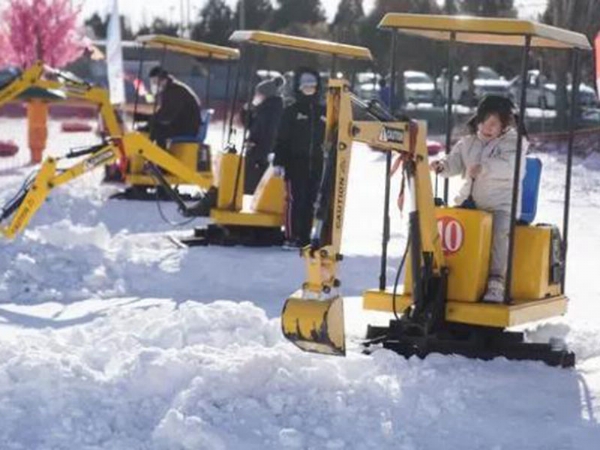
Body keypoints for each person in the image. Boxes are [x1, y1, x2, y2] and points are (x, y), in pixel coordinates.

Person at [430, 95, 527, 303]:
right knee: (450, 229)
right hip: (470, 201)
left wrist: (485, 168)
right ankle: (451, 277)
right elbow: (454, 162)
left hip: (501, 204)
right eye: (484, 121)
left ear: (503, 125)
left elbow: (511, 167)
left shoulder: (514, 143)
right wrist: (442, 166)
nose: (486, 127)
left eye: (493, 124)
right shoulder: (468, 142)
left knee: (500, 233)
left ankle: (496, 282)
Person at [273, 68, 326, 249]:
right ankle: (291, 236)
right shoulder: (292, 111)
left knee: (311, 201)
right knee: (296, 200)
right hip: (295, 163)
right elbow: (282, 139)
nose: (309, 90)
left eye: (312, 86)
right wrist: (279, 162)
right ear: (299, 88)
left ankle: (305, 237)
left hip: (316, 163)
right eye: (305, 86)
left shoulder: (323, 112)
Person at [136, 66, 201, 149]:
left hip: (187, 128)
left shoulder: (174, 92)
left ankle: (156, 155)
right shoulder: (170, 89)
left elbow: (167, 116)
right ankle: (156, 155)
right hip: (184, 124)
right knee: (154, 127)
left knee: (157, 129)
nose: (153, 85)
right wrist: (147, 119)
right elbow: (164, 112)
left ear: (164, 80)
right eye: (152, 82)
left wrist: (150, 120)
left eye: (155, 82)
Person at [242, 75, 285, 194]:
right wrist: (247, 111)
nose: (256, 96)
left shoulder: (271, 111)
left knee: (252, 171)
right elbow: (251, 126)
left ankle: (249, 192)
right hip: (258, 146)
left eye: (258, 94)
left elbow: (267, 132)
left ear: (265, 95)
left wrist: (254, 144)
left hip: (262, 149)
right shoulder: (263, 109)